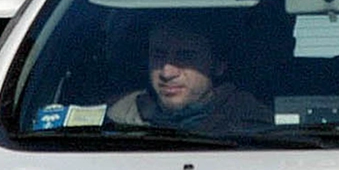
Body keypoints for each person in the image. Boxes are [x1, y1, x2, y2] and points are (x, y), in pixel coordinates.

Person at [106, 20, 273, 131]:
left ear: (218, 65)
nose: (167, 72)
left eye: (185, 56)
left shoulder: (252, 123)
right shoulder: (122, 115)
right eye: (158, 55)